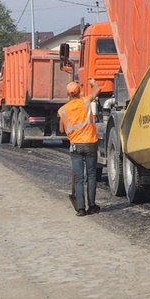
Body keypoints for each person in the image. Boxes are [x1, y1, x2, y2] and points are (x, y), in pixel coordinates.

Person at [58, 79, 102, 217]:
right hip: (90, 144)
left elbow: (61, 129)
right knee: (91, 175)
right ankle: (92, 206)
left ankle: (81, 209)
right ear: (79, 92)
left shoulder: (63, 110)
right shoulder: (85, 101)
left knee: (79, 178)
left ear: (68, 94)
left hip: (76, 146)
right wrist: (93, 82)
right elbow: (98, 90)